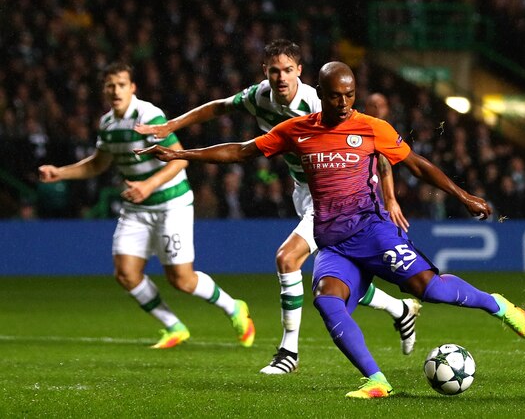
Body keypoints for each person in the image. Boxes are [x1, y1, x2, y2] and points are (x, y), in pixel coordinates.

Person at [137, 60, 525, 398]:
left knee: (429, 289)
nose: (343, 103)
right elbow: (242, 151)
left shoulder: (371, 127)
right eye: (335, 95)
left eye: (349, 95)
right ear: (322, 93)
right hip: (334, 242)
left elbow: (415, 163)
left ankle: (499, 306)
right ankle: (376, 380)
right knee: (328, 301)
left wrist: (463, 195)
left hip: (375, 230)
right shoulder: (297, 130)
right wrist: (180, 152)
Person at [134, 39, 420, 374]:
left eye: (288, 70)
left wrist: (389, 197)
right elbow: (219, 107)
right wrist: (172, 127)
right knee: (337, 275)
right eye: (274, 70)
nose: (281, 77)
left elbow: (373, 146)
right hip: (305, 191)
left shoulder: (319, 105)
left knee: (288, 258)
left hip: (340, 195)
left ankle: (288, 352)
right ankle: (400, 310)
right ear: (265, 72)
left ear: (300, 71)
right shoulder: (259, 96)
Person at [38, 62, 255, 350]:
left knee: (181, 279)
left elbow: (180, 157)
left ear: (132, 88)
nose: (115, 90)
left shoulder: (148, 115)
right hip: (138, 208)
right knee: (125, 273)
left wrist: (148, 185)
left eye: (121, 84)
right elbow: (99, 163)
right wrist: (60, 172)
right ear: (104, 89)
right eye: (110, 85)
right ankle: (173, 326)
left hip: (170, 203)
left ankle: (233, 307)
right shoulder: (107, 124)